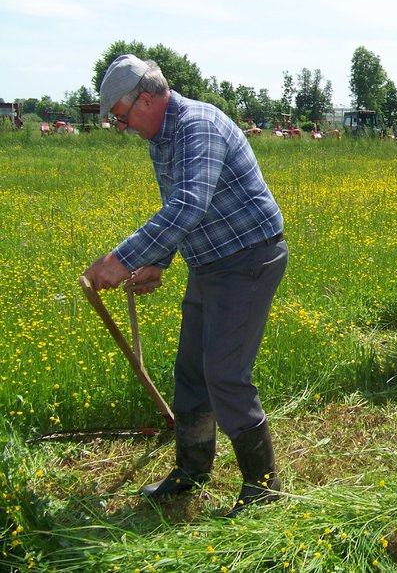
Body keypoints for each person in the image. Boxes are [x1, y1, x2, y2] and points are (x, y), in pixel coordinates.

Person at [82, 55, 287, 517]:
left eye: (121, 116)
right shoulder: (160, 137)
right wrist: (157, 261)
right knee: (192, 371)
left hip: (249, 258)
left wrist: (123, 258)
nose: (123, 128)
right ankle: (192, 470)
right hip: (209, 262)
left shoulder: (198, 125)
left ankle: (265, 485)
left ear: (147, 99)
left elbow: (189, 204)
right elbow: (180, 208)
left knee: (224, 374)